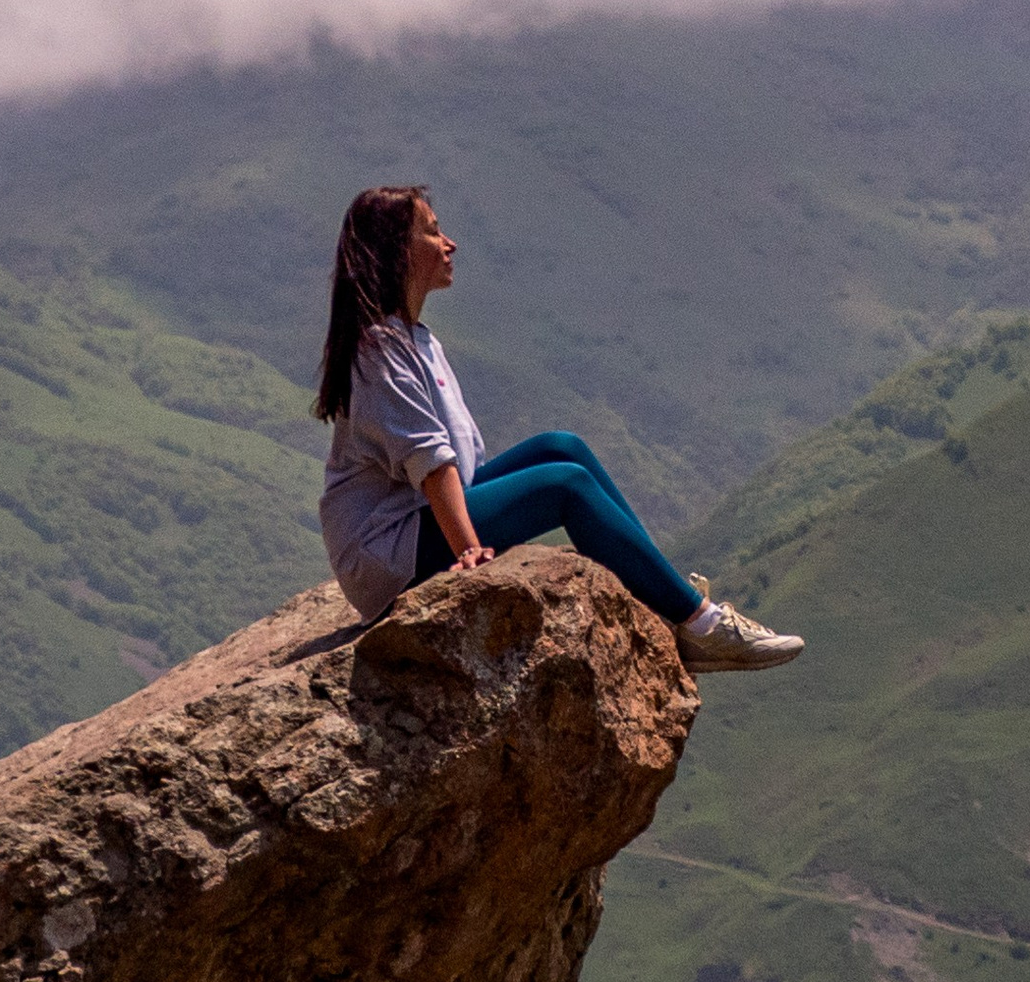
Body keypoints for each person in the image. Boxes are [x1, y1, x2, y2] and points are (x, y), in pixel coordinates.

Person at [314, 185, 805, 675]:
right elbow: (431, 461)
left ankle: (666, 598)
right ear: (398, 250)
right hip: (389, 550)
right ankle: (701, 624)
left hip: (420, 518)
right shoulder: (379, 349)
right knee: (563, 486)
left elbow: (452, 464)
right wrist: (469, 550)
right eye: (433, 231)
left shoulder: (414, 338)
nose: (450, 243)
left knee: (562, 447)